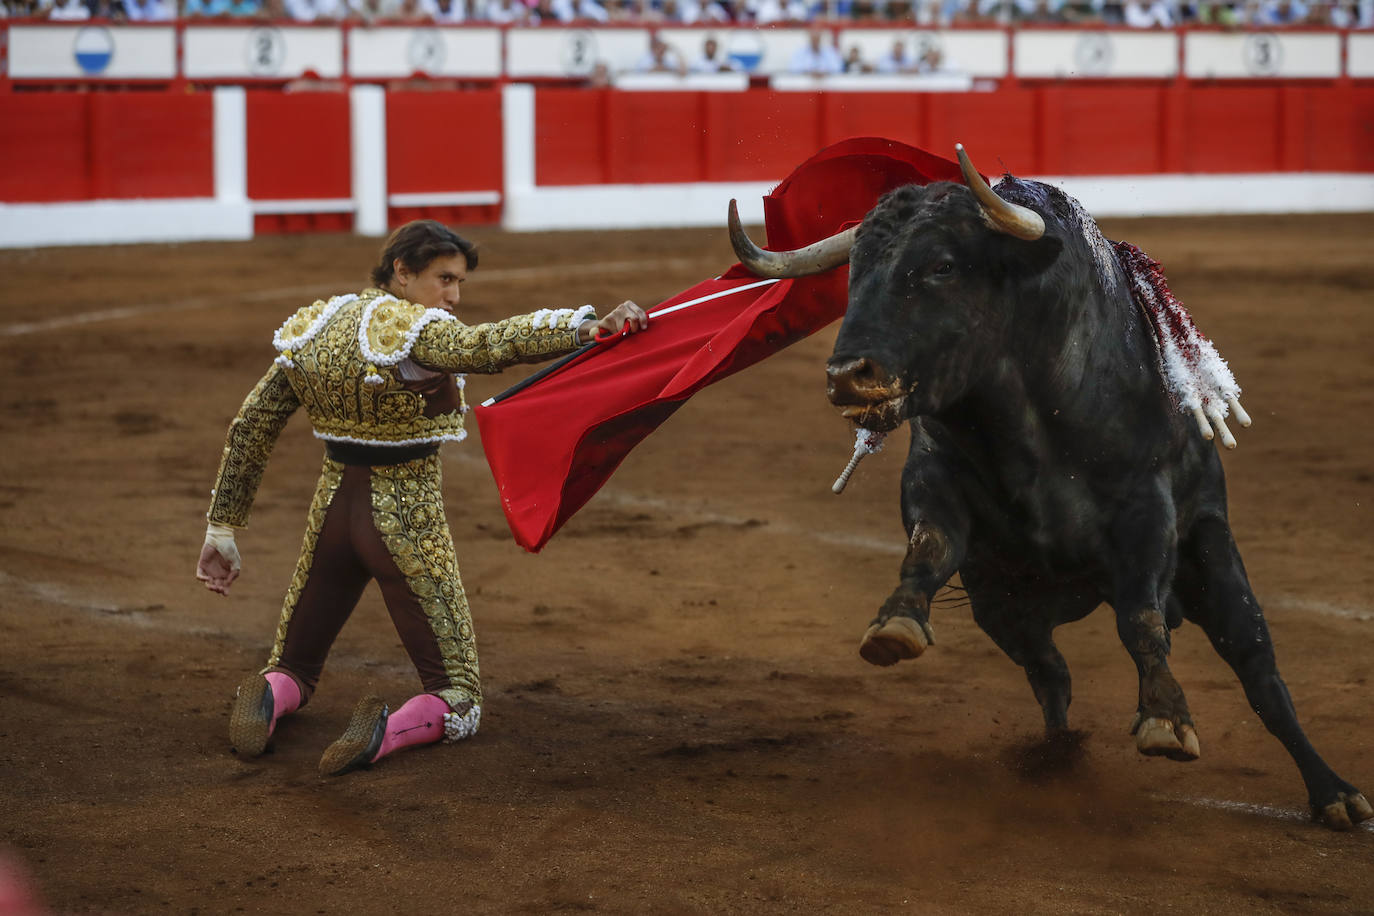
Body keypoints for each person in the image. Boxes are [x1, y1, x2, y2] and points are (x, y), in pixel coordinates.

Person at [197, 220, 648, 776]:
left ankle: (269, 697)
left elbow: (252, 424)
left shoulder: (312, 328)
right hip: (405, 519)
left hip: (332, 511)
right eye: (444, 279)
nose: (454, 296)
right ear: (402, 273)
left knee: (293, 664)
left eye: (459, 282)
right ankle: (384, 735)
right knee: (457, 693)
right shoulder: (415, 332)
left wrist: (222, 528)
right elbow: (486, 346)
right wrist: (584, 329)